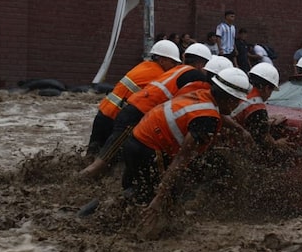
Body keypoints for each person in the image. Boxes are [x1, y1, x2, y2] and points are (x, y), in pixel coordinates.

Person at [122, 68, 251, 232]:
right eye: (237, 101)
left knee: (135, 193)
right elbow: (181, 159)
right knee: (159, 202)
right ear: (229, 99)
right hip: (150, 150)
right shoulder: (207, 119)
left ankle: (103, 217)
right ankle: (142, 240)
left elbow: (218, 113)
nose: (238, 105)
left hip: (136, 140)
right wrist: (159, 199)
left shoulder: (203, 95)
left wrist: (240, 130)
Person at [79, 43, 213, 178]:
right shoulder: (193, 76)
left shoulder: (174, 71)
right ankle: (76, 182)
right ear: (201, 64)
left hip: (113, 112)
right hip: (132, 117)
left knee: (100, 156)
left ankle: (80, 174)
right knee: (102, 163)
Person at [85, 40, 180, 157]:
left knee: (91, 154)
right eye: (173, 62)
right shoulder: (159, 75)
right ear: (162, 60)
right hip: (117, 120)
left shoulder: (143, 66)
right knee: (107, 161)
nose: (175, 67)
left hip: (103, 114)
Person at [230, 63, 287, 149]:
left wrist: (267, 120)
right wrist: (278, 143)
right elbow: (263, 138)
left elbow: (249, 119)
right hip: (232, 144)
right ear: (267, 88)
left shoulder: (242, 90)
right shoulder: (257, 106)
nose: (270, 95)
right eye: (272, 91)